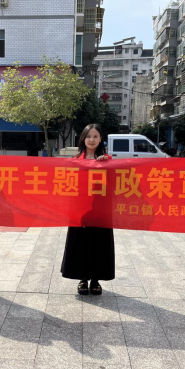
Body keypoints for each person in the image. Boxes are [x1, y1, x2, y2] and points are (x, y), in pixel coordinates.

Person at [61, 124, 115, 295]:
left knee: (99, 244)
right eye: (88, 136)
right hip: (80, 210)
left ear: (100, 139)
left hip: (100, 210)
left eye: (95, 136)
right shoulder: (75, 160)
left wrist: (106, 165)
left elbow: (114, 185)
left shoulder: (107, 160)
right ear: (83, 139)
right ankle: (83, 279)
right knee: (81, 244)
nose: (91, 140)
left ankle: (96, 279)